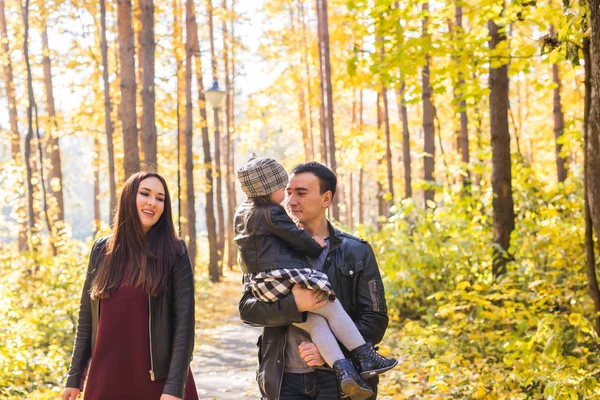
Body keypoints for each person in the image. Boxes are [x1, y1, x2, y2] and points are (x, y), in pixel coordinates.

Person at [237, 159, 393, 400]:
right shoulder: (263, 247)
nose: (291, 200)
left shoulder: (356, 251)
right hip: (283, 380)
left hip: (338, 384)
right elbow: (248, 310)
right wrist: (295, 305)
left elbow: (375, 318)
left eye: (301, 193)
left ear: (326, 199)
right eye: (287, 192)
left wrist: (332, 352)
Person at [62, 171, 198, 400]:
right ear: (128, 197)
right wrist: (75, 377)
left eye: (160, 198)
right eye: (145, 194)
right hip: (106, 379)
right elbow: (87, 318)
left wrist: (174, 387)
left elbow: (184, 325)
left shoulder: (174, 251)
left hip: (158, 382)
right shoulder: (101, 250)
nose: (152, 202)